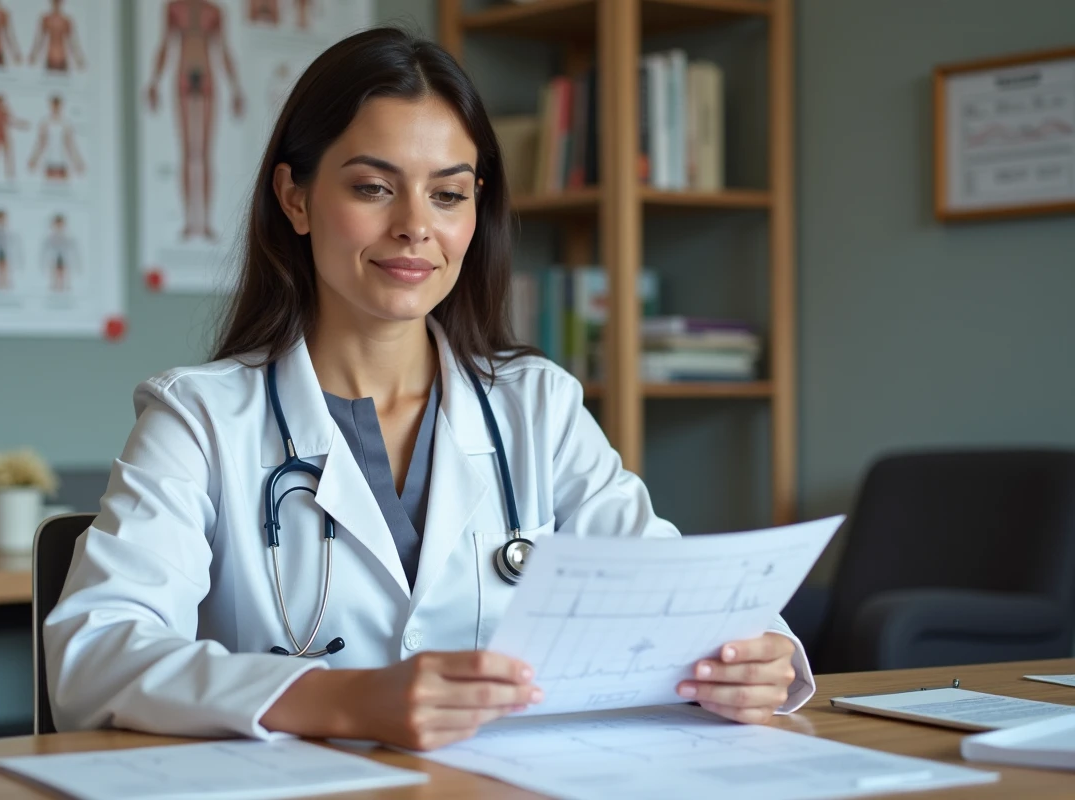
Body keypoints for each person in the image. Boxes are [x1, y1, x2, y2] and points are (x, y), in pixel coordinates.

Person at [45, 27, 813, 752]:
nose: (416, 227)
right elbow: (94, 654)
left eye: (448, 195)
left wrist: (754, 659)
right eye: (375, 188)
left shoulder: (537, 408)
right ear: (296, 198)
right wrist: (345, 700)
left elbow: (675, 596)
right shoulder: (201, 419)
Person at [145, 0, 244, 241]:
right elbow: (165, 46)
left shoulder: (215, 12)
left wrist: (235, 88)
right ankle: (189, 222)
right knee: (188, 153)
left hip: (207, 76)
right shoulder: (173, 9)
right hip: (183, 76)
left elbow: (223, 50)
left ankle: (206, 222)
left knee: (205, 153)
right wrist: (154, 82)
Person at [28, 0, 83, 73]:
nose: (56, 3)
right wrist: (34, 54)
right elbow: (40, 39)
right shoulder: (46, 19)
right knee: (48, 82)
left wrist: (78, 58)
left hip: (62, 59)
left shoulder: (66, 21)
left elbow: (72, 42)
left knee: (63, 83)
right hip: (50, 59)